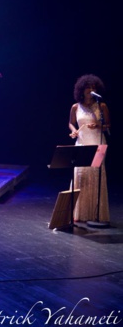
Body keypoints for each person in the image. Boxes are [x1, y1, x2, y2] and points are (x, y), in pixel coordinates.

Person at [68, 74, 111, 223]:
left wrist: (99, 125)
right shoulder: (75, 107)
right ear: (82, 89)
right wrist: (74, 131)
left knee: (95, 176)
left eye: (93, 88)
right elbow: (71, 123)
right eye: (88, 87)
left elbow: (108, 126)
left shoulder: (101, 106)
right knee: (80, 176)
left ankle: (95, 213)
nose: (90, 90)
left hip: (97, 142)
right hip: (82, 142)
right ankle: (79, 213)